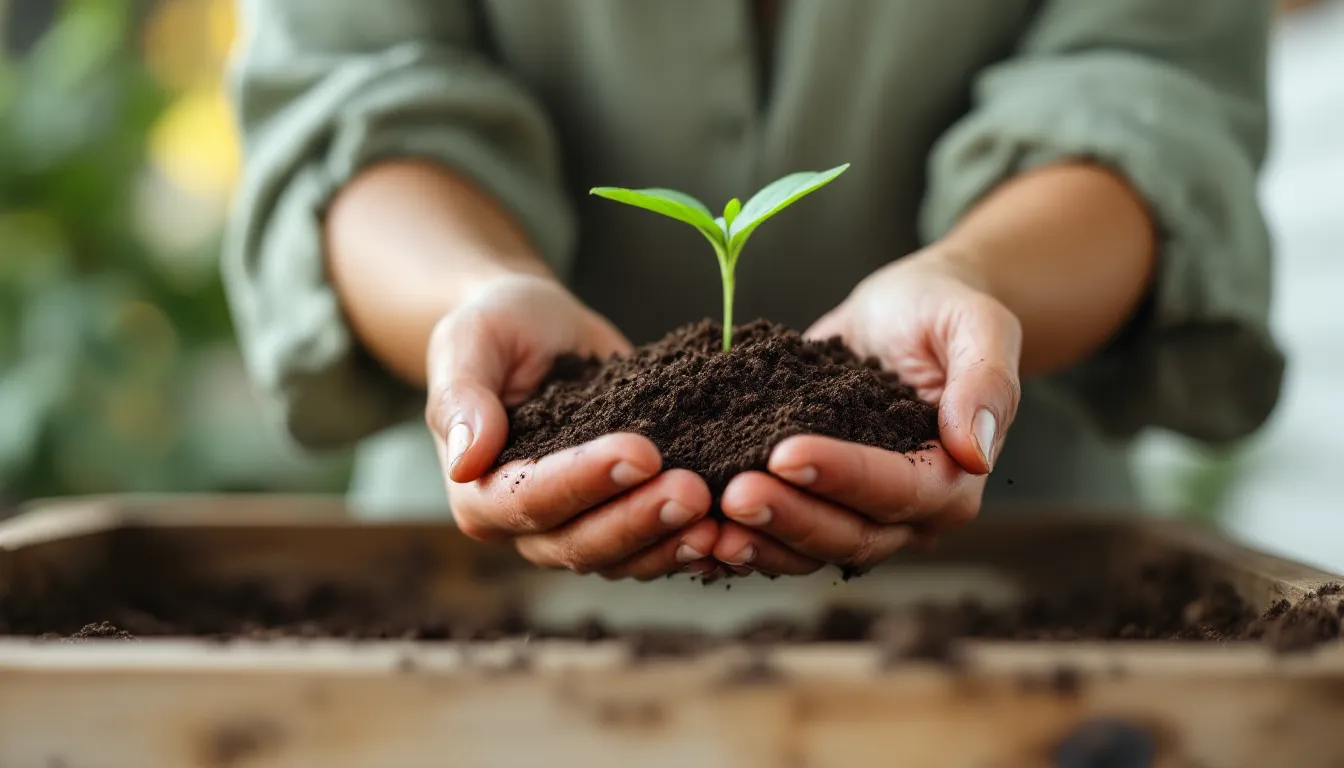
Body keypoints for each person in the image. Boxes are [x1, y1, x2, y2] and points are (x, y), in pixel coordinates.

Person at [223, 0, 1283, 581]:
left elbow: (1148, 90)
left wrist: (972, 283)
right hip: (488, 616)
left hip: (1006, 584)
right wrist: (475, 293)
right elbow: (352, 96)